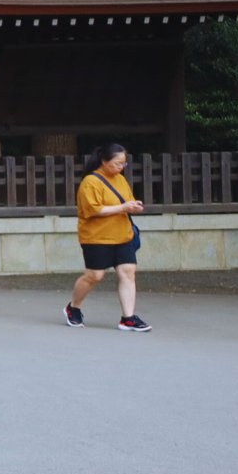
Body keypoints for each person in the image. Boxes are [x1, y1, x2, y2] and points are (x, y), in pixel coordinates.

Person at [66, 142, 149, 332]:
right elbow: (93, 210)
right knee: (94, 275)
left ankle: (128, 318)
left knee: (128, 272)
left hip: (123, 234)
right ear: (104, 161)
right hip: (97, 237)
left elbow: (125, 201)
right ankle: (73, 307)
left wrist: (133, 206)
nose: (120, 168)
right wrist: (123, 207)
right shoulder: (91, 181)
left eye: (123, 164)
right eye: (116, 164)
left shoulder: (120, 179)